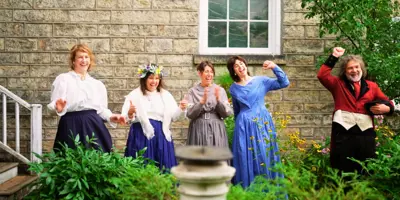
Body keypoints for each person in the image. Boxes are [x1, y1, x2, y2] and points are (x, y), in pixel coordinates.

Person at [317, 47, 394, 173]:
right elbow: (322, 75)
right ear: (345, 71)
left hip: (365, 135)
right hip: (343, 134)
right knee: (343, 168)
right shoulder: (338, 84)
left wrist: (387, 108)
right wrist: (334, 56)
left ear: (361, 69)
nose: (354, 70)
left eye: (357, 67)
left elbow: (388, 102)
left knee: (365, 168)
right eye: (350, 68)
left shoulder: (372, 86)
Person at [48, 44, 126, 153]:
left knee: (97, 159)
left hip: (93, 125)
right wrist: (58, 108)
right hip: (71, 124)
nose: (83, 60)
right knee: (71, 160)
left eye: (86, 57)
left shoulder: (97, 84)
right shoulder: (63, 79)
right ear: (73, 61)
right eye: (80, 57)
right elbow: (54, 104)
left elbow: (101, 109)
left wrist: (112, 117)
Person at [227, 56, 290, 188]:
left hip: (262, 123)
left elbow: (284, 82)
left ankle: (268, 190)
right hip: (243, 127)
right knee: (245, 157)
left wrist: (274, 67)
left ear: (245, 64)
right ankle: (248, 191)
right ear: (234, 71)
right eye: (236, 66)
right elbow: (237, 110)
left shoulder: (261, 81)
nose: (240, 67)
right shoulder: (233, 89)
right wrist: (239, 130)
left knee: (265, 155)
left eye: (241, 63)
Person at [121, 63, 187, 171]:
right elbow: (126, 118)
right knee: (141, 166)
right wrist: (130, 113)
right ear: (144, 79)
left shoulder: (166, 95)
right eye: (151, 78)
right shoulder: (134, 95)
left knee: (163, 167)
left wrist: (181, 108)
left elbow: (174, 117)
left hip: (161, 135)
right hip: (140, 135)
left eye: (157, 78)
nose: (154, 81)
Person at [186, 61, 233, 147]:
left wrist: (218, 101)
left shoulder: (220, 90)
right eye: (206, 71)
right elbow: (189, 113)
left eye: (211, 72)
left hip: (216, 127)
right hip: (198, 128)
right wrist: (201, 102)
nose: (209, 74)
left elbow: (227, 113)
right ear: (200, 73)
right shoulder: (192, 91)